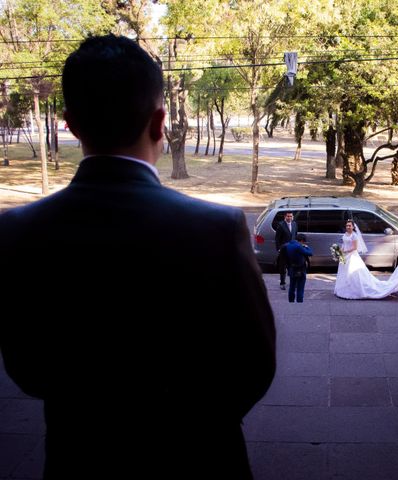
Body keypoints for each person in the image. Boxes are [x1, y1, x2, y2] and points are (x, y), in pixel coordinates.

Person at [0, 35, 276, 480]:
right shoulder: (217, 228)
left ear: (69, 123)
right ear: (159, 121)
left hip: (79, 459)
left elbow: (27, 369)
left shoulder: (16, 231)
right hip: (200, 458)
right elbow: (254, 369)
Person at [334, 220, 398, 299]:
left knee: (354, 274)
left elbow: (354, 248)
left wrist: (345, 251)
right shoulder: (345, 234)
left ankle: (355, 290)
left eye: (349, 226)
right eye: (347, 226)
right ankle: (346, 289)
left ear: (353, 227)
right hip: (345, 257)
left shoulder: (354, 236)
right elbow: (344, 244)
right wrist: (340, 251)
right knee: (345, 273)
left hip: (352, 256)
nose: (348, 227)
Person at [286, 233, 313, 303]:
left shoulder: (289, 245)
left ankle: (291, 301)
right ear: (301, 241)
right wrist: (306, 247)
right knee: (300, 288)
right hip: (300, 269)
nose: (304, 243)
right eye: (304, 242)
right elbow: (310, 253)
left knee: (291, 287)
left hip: (291, 268)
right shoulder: (299, 247)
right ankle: (299, 303)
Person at [275, 211, 298, 290]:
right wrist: (278, 249)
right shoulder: (281, 225)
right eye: (288, 216)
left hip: (292, 250)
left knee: (292, 267)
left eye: (291, 216)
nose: (289, 218)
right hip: (284, 251)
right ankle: (282, 283)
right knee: (283, 267)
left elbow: (295, 236)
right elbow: (277, 239)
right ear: (285, 217)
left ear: (293, 217)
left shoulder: (294, 224)